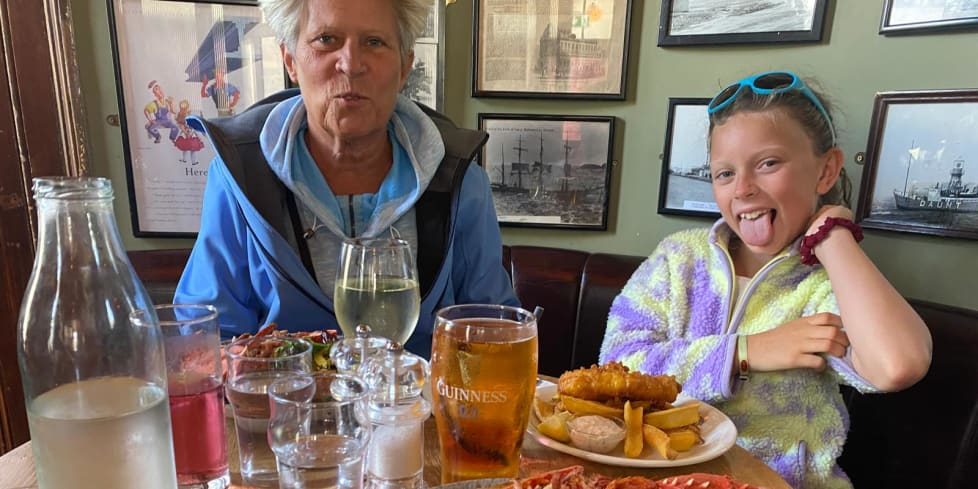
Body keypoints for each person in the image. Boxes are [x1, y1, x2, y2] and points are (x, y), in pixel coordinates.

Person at [599, 71, 932, 488]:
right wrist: (745, 351)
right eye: (724, 174)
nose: (742, 189)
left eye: (768, 163)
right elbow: (617, 364)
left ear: (826, 170)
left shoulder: (825, 284)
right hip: (657, 479)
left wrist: (834, 237)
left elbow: (897, 365)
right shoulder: (678, 258)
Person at [174, 0, 518, 358]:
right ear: (290, 60)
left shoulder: (462, 181)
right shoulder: (238, 177)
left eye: (374, 42)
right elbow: (206, 339)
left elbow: (492, 330)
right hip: (285, 406)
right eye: (326, 39)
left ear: (405, 67)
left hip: (418, 408)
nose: (351, 64)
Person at [143, 80, 179, 144]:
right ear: (154, 94)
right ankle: (158, 136)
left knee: (176, 128)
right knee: (150, 129)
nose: (160, 91)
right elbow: (146, 110)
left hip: (167, 121)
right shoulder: (154, 104)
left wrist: (171, 104)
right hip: (158, 121)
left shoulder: (167, 101)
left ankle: (172, 138)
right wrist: (150, 120)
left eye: (160, 88)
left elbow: (173, 111)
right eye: (156, 89)